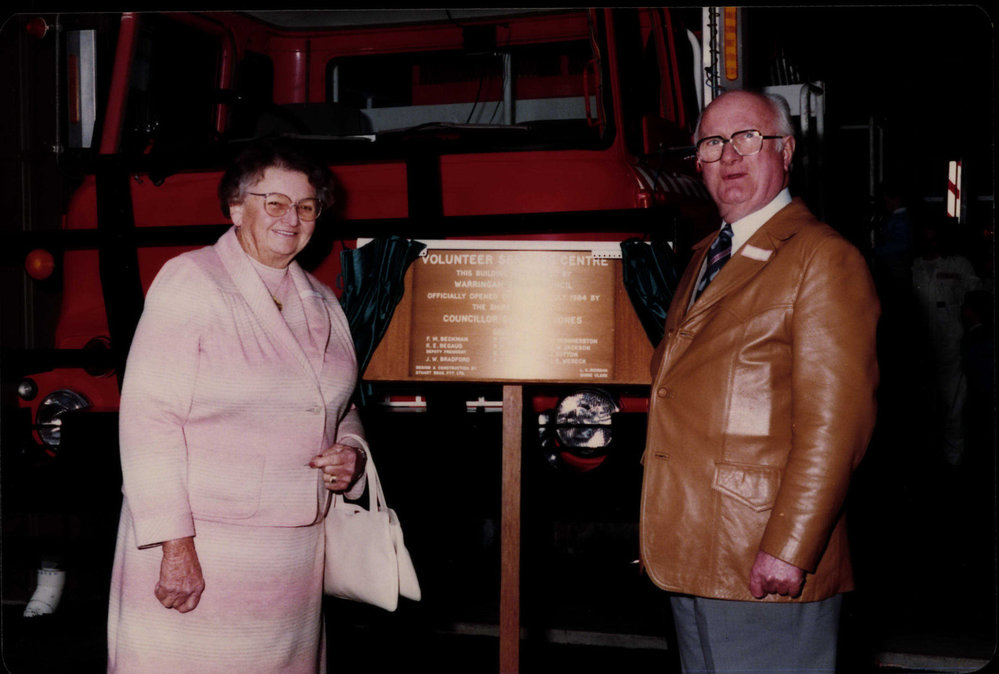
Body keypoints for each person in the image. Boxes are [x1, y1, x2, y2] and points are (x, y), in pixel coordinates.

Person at [639, 90, 879, 673]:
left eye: (748, 137)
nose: (730, 156)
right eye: (712, 143)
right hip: (695, 546)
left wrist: (790, 546)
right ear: (696, 162)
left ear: (787, 149)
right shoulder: (704, 257)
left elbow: (836, 426)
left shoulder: (822, 257)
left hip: (762, 554)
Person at [107, 138, 368, 672]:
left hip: (294, 561)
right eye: (274, 202)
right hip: (204, 548)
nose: (291, 217)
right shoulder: (192, 281)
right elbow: (149, 419)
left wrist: (352, 452)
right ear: (235, 207)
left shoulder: (324, 301)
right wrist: (174, 547)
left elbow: (339, 407)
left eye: (306, 205)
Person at [910, 216, 981, 467]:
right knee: (925, 403)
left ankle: (954, 457)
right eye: (925, 239)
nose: (930, 244)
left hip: (952, 344)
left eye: (934, 238)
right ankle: (930, 458)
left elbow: (977, 297)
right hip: (921, 345)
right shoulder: (913, 267)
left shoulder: (958, 265)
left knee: (953, 401)